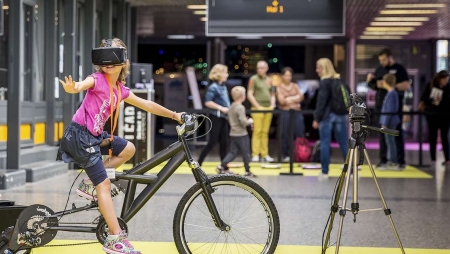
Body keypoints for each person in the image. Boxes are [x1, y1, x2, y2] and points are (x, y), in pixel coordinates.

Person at [56, 38, 183, 254]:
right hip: (80, 136)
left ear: (123, 62)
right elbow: (81, 85)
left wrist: (174, 115)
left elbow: (148, 105)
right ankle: (115, 239)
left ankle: (89, 184)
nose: (108, 61)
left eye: (114, 56)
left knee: (128, 149)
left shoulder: (120, 89)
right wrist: (73, 87)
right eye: (104, 56)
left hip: (94, 136)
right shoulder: (96, 79)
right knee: (104, 185)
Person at [367, 48, 410, 169]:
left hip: (395, 107)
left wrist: (390, 86)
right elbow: (375, 86)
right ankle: (383, 160)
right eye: (380, 60)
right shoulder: (380, 69)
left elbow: (406, 85)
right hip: (381, 106)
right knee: (382, 134)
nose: (382, 62)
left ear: (390, 57)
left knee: (396, 134)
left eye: (384, 59)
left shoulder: (399, 69)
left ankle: (399, 161)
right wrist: (370, 81)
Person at [313, 58, 348, 181]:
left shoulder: (324, 82)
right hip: (341, 115)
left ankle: (325, 172)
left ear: (324, 68)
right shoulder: (339, 80)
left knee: (325, 143)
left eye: (319, 68)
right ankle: (351, 170)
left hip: (327, 117)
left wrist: (317, 118)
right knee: (344, 143)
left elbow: (321, 102)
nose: (317, 70)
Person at [217, 86, 256, 177]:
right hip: (241, 134)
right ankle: (247, 170)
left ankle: (222, 165)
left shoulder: (232, 106)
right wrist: (250, 121)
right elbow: (243, 122)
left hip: (233, 133)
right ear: (242, 96)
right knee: (245, 152)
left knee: (233, 151)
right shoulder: (240, 107)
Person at [197, 64, 231, 167]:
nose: (227, 74)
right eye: (225, 72)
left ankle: (223, 166)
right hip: (216, 117)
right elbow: (208, 102)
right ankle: (198, 163)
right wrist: (221, 108)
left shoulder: (223, 87)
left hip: (224, 118)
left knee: (225, 142)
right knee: (212, 141)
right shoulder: (213, 87)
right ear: (219, 74)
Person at [247, 60, 276, 162]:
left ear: (267, 68)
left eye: (262, 68)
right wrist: (257, 106)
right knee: (257, 131)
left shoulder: (269, 79)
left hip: (268, 108)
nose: (260, 70)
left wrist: (273, 104)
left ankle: (265, 154)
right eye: (258, 68)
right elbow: (249, 94)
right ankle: (255, 154)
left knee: (265, 132)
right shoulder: (253, 79)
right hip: (257, 108)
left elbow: (272, 93)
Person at [419, 70, 450, 166]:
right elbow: (423, 98)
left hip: (445, 115)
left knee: (445, 136)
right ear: (439, 79)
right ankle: (433, 158)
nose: (446, 81)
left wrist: (443, 99)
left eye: (447, 79)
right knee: (433, 136)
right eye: (444, 79)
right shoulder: (430, 85)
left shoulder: (448, 87)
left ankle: (447, 158)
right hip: (432, 114)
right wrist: (433, 99)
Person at [276, 67, 305, 162]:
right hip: (285, 112)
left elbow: (301, 97)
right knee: (285, 133)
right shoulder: (279, 87)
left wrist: (289, 99)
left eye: (290, 75)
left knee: (299, 132)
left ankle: (299, 154)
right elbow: (282, 101)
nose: (288, 77)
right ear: (282, 76)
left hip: (296, 112)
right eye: (286, 75)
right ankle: (286, 154)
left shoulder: (295, 86)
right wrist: (294, 98)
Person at [378, 74, 401, 170]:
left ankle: (392, 162)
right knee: (390, 141)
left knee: (390, 141)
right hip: (390, 121)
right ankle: (392, 161)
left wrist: (385, 122)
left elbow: (390, 110)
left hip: (390, 121)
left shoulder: (391, 94)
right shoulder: (391, 93)